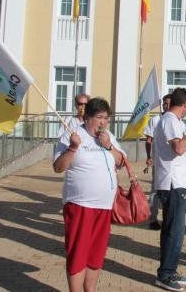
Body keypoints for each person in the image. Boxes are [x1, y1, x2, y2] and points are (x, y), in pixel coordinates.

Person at [52, 97, 125, 292]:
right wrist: (73, 148)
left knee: (96, 254)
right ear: (87, 118)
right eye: (99, 117)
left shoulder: (108, 136)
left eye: (106, 118)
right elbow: (58, 167)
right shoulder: (73, 135)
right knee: (78, 253)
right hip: (80, 205)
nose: (103, 122)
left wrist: (109, 146)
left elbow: (120, 161)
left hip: (104, 206)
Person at [153, 88, 186, 292]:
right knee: (175, 231)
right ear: (185, 104)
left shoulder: (172, 121)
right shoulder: (171, 120)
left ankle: (169, 270)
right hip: (172, 184)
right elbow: (179, 148)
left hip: (176, 183)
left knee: (172, 230)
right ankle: (165, 274)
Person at [145, 94, 172, 230]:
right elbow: (148, 140)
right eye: (164, 104)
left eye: (168, 104)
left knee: (170, 190)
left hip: (171, 162)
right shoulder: (155, 120)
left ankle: (168, 218)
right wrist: (149, 156)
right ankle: (153, 218)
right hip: (157, 161)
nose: (166, 106)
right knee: (155, 190)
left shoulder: (175, 121)